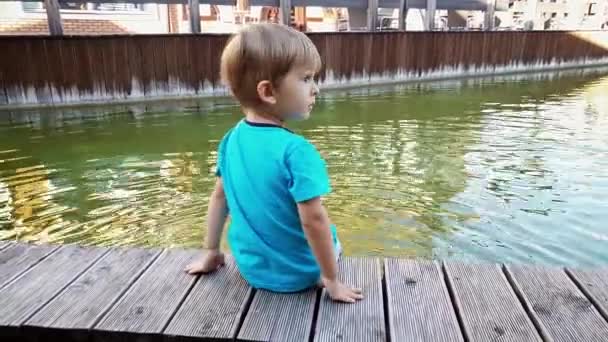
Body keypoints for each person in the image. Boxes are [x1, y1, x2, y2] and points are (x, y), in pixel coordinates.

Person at [185, 23, 363, 303]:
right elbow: (314, 220)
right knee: (330, 231)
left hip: (250, 270)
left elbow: (219, 198)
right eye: (306, 79)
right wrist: (331, 280)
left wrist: (210, 252)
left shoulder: (231, 140)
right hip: (299, 276)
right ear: (268, 91)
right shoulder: (297, 151)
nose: (315, 88)